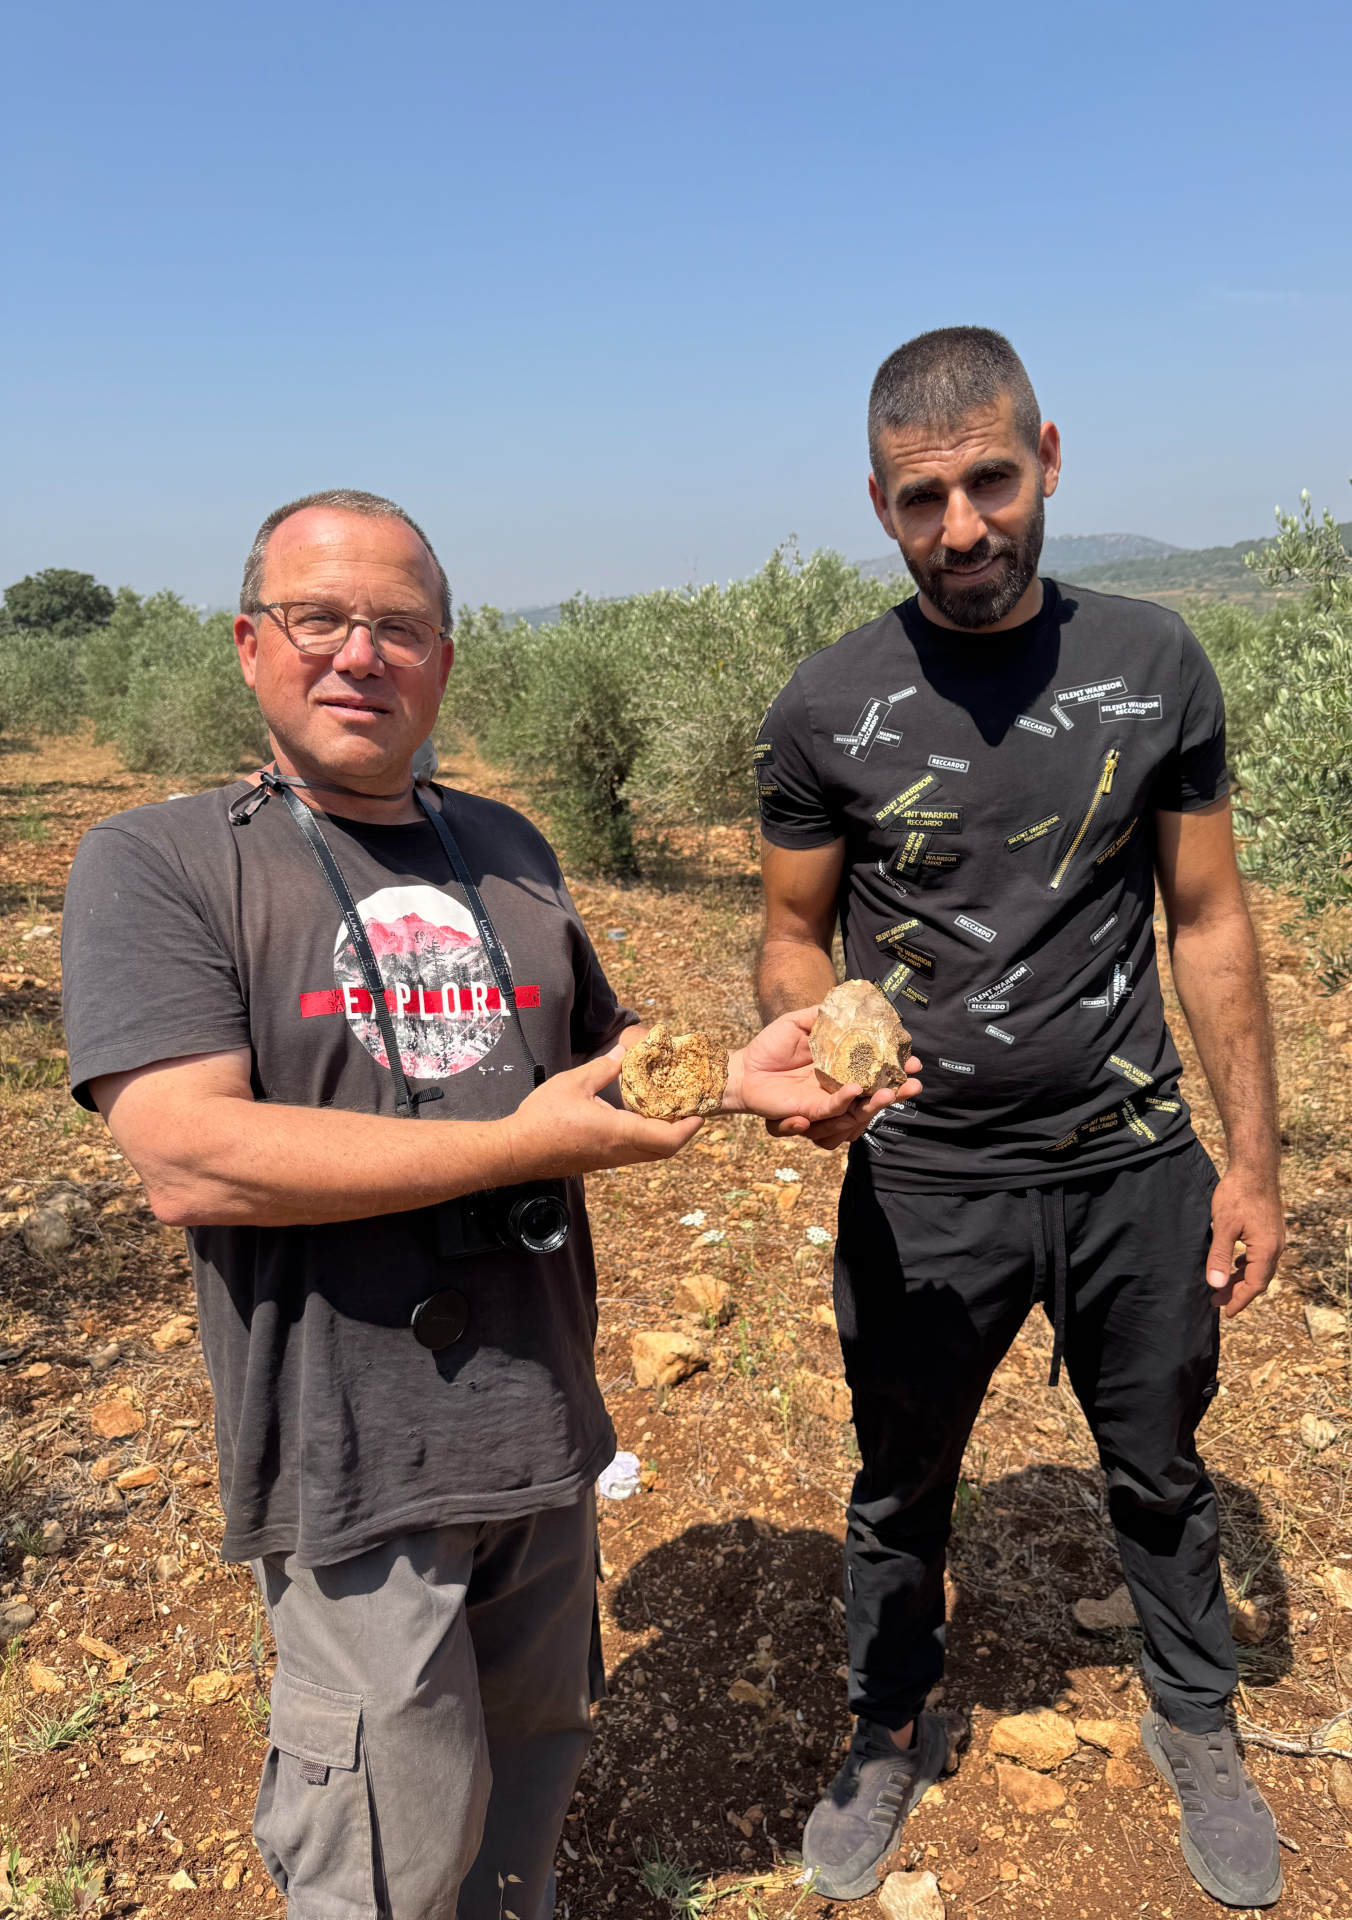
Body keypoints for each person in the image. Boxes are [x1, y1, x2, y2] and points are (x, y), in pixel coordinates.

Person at [60, 489, 916, 1920]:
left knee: (527, 1788)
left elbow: (614, 1079)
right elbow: (186, 1154)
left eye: (398, 626)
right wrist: (512, 1145)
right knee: (389, 1842)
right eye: (318, 619)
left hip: (537, 1423)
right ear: (249, 643)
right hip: (352, 1457)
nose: (358, 655)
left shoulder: (508, 848)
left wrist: (753, 1083)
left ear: (445, 661)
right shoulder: (163, 863)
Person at [754, 331, 1285, 1909]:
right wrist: (811, 1047)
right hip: (925, 1179)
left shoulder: (1155, 659)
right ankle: (884, 1724)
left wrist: (1252, 1163)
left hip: (1134, 1167)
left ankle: (1196, 1719)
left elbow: (1207, 919)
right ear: (879, 504)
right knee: (900, 1477)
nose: (965, 525)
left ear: (1048, 457)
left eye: (991, 480)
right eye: (925, 498)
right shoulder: (826, 705)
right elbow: (791, 927)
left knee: (1160, 1463)